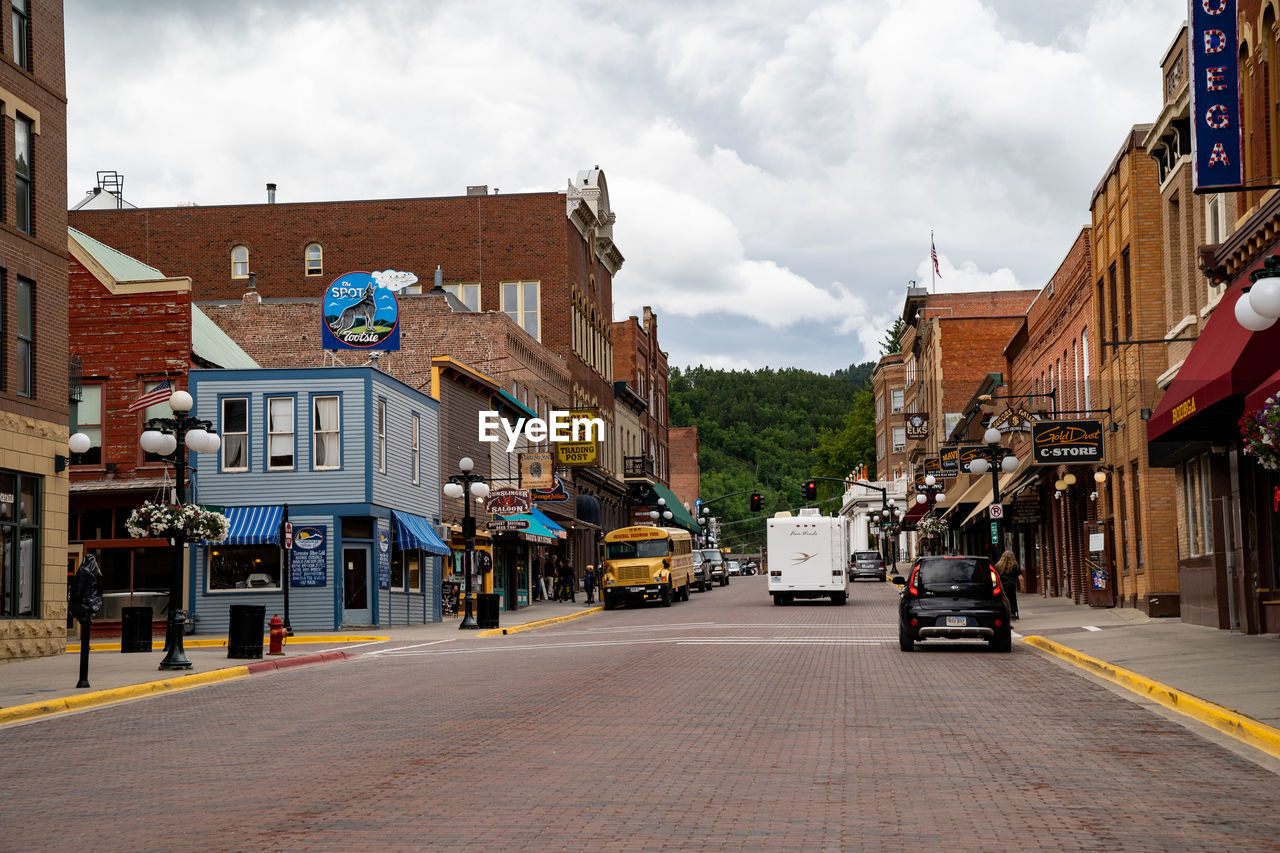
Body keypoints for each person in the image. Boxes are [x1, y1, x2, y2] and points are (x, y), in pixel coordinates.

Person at [994, 549, 1022, 619]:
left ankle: (1003, 611)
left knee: (1002, 598)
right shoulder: (1015, 565)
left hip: (1002, 584)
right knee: (1012, 597)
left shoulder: (997, 565)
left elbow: (995, 576)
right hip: (1011, 584)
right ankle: (1012, 612)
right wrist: (1022, 585)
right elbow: (1020, 577)